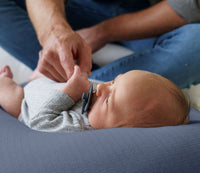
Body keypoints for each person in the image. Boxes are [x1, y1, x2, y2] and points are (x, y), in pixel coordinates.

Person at [0, 0, 200, 89]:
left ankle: (69, 92)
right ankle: (69, 80)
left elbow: (188, 5)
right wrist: (55, 33)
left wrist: (102, 32)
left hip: (158, 16)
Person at [0, 65, 189, 132]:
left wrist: (71, 91)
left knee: (10, 94)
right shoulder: (101, 102)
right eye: (114, 81)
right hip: (47, 86)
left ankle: (4, 81)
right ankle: (37, 77)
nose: (101, 89)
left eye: (108, 101)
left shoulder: (79, 126)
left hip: (26, 103)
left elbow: (40, 121)